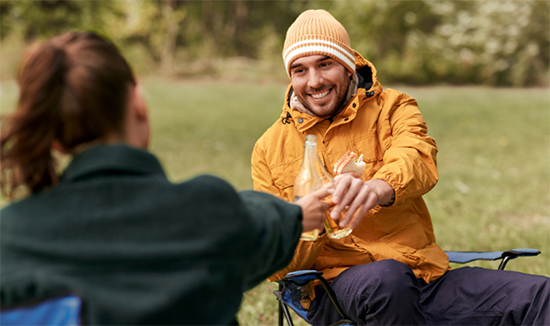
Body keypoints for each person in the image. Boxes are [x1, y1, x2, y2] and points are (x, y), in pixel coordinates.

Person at [0, 31, 331, 326]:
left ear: (55, 139)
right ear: (138, 104)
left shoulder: (9, 237)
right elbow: (258, 223)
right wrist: (298, 213)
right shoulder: (209, 215)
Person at [251, 9, 550, 326]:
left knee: (540, 296)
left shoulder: (393, 107)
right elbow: (276, 265)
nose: (314, 81)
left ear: (348, 64)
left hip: (423, 277)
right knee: (388, 280)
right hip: (334, 289)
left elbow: (418, 155)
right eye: (300, 70)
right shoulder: (269, 149)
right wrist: (309, 221)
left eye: (325, 63)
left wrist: (376, 188)